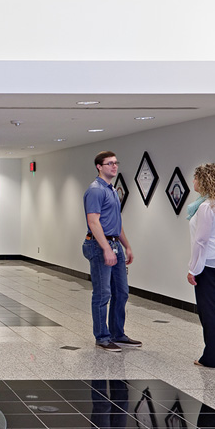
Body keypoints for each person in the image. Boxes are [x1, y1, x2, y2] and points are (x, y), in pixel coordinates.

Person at [82, 151, 142, 352]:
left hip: (115, 244)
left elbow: (116, 222)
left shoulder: (112, 190)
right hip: (99, 246)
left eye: (116, 163)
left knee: (122, 292)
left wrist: (127, 245)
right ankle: (102, 337)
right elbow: (93, 221)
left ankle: (118, 334)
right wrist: (106, 248)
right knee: (102, 293)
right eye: (109, 164)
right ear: (99, 167)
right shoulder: (96, 190)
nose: (114, 167)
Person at [187, 163, 215, 368]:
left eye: (195, 178)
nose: (193, 182)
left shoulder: (206, 207)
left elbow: (201, 240)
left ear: (204, 181)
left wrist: (192, 268)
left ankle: (212, 358)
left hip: (209, 261)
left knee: (208, 310)